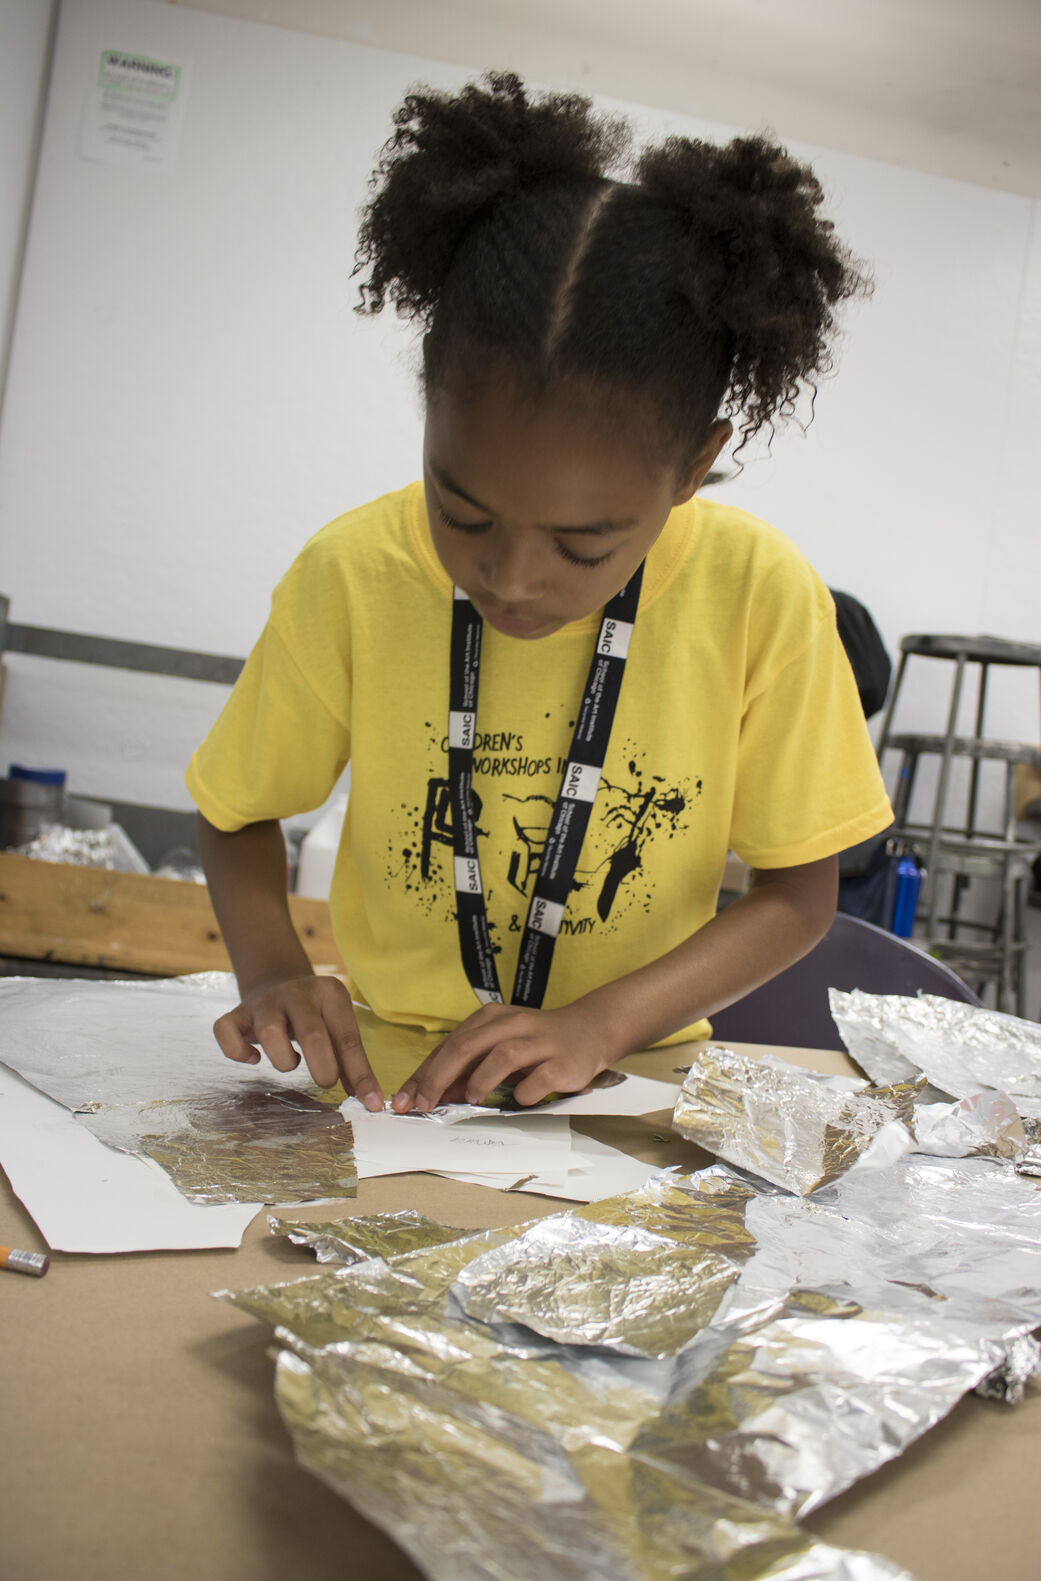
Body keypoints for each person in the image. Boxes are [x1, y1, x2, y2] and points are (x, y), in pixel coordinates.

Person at [187, 71, 893, 1115]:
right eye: (461, 514)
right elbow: (233, 813)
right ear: (428, 403)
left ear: (693, 467)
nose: (511, 578)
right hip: (383, 1086)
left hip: (629, 1079)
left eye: (583, 544)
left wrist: (599, 1023)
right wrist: (272, 971)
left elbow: (797, 894)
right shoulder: (355, 572)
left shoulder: (761, 594)